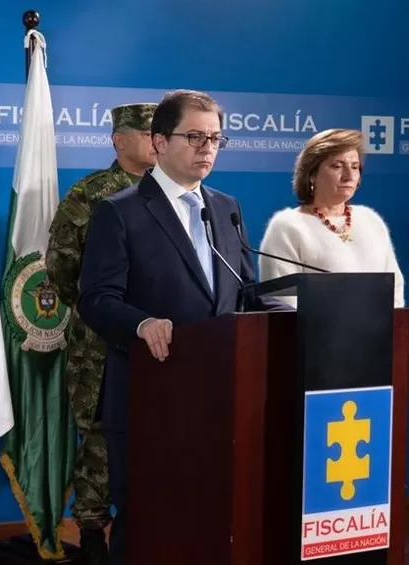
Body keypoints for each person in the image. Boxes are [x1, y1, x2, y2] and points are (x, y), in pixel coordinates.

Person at [75, 89, 289, 564]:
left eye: (215, 138)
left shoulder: (227, 207)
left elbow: (243, 293)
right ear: (158, 142)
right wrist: (142, 322)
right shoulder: (120, 211)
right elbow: (96, 299)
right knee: (149, 522)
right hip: (150, 395)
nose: (206, 148)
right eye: (194, 136)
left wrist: (293, 312)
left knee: (211, 516)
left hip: (221, 399)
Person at [45, 102, 157, 564]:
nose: (155, 139)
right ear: (118, 139)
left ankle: (151, 526)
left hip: (164, 337)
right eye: (145, 132)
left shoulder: (174, 193)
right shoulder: (90, 195)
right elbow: (61, 264)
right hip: (100, 340)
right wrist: (101, 311)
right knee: (98, 436)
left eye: (160, 132)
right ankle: (91, 531)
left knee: (156, 431)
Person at [259, 128, 404, 307]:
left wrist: (391, 329)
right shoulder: (287, 226)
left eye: (355, 167)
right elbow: (281, 301)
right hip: (315, 334)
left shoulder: (371, 220)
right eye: (337, 166)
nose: (349, 176)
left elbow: (395, 287)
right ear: (312, 173)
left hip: (379, 332)